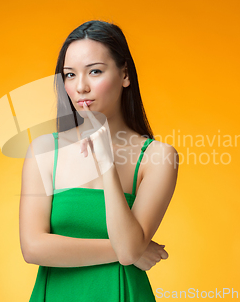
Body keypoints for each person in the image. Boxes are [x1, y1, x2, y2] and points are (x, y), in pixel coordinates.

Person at [19, 20, 179, 301]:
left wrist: (107, 164)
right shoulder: (43, 151)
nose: (81, 87)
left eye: (94, 71)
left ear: (125, 74)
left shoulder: (157, 157)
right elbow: (32, 248)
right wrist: (128, 250)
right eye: (69, 75)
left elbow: (130, 250)